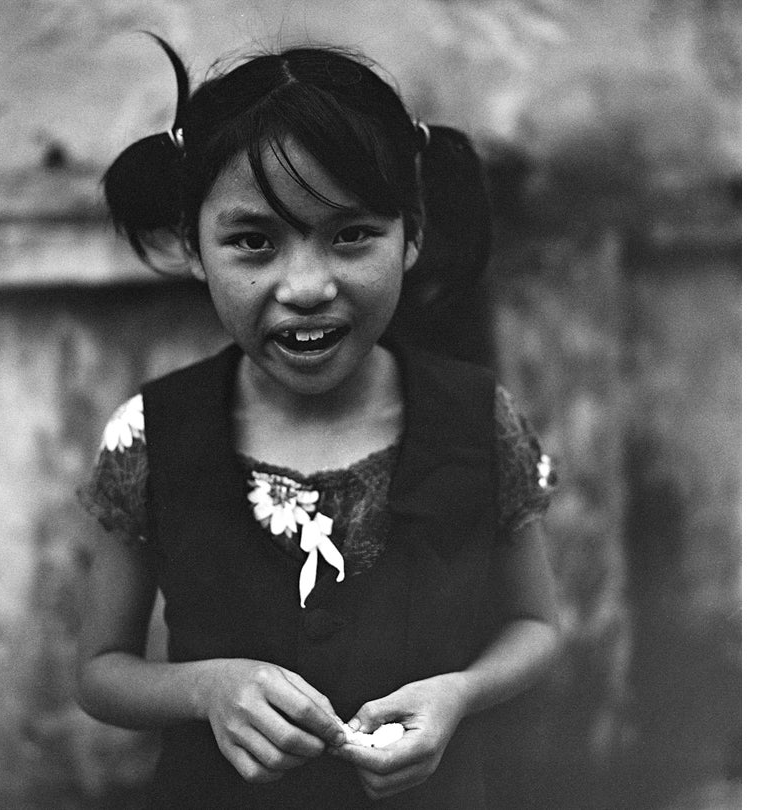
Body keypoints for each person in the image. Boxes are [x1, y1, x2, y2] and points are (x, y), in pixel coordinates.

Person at [77, 36, 561, 809]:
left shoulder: (478, 419)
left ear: (414, 234)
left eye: (351, 235)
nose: (305, 286)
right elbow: (101, 669)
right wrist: (207, 689)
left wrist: (460, 694)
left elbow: (536, 625)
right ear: (196, 248)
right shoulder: (148, 436)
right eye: (253, 242)